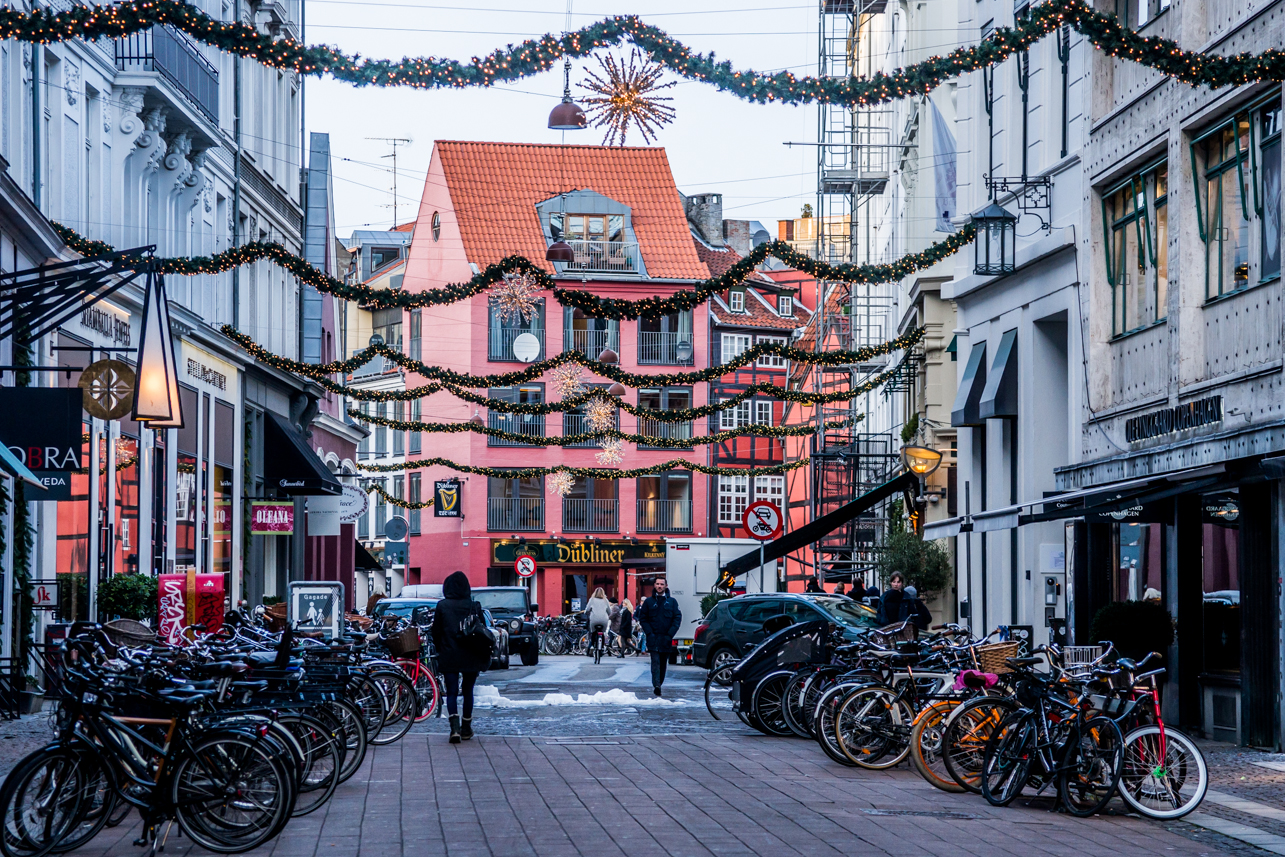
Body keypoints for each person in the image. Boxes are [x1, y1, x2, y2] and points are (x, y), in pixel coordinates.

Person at [431, 571, 491, 744]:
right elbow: (482, 630)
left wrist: (441, 647)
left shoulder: (442, 606)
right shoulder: (473, 605)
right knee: (468, 691)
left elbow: (436, 631)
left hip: (449, 653)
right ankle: (466, 727)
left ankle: (454, 728)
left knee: (451, 692)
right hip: (471, 654)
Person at [637, 577, 681, 696]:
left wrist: (670, 634)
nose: (659, 586)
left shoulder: (672, 602)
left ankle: (659, 684)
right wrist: (649, 633)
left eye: (662, 584)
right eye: (657, 584)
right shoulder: (649, 602)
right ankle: (656, 685)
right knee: (655, 662)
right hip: (653, 637)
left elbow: (677, 618)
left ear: (666, 586)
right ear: (654, 585)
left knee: (663, 663)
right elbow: (643, 618)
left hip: (666, 638)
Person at [584, 587, 612, 656]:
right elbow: (609, 611)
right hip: (604, 620)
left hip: (594, 620)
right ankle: (601, 648)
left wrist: (587, 613)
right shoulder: (606, 600)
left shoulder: (592, 600)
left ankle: (593, 645)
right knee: (602, 632)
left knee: (593, 633)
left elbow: (587, 610)